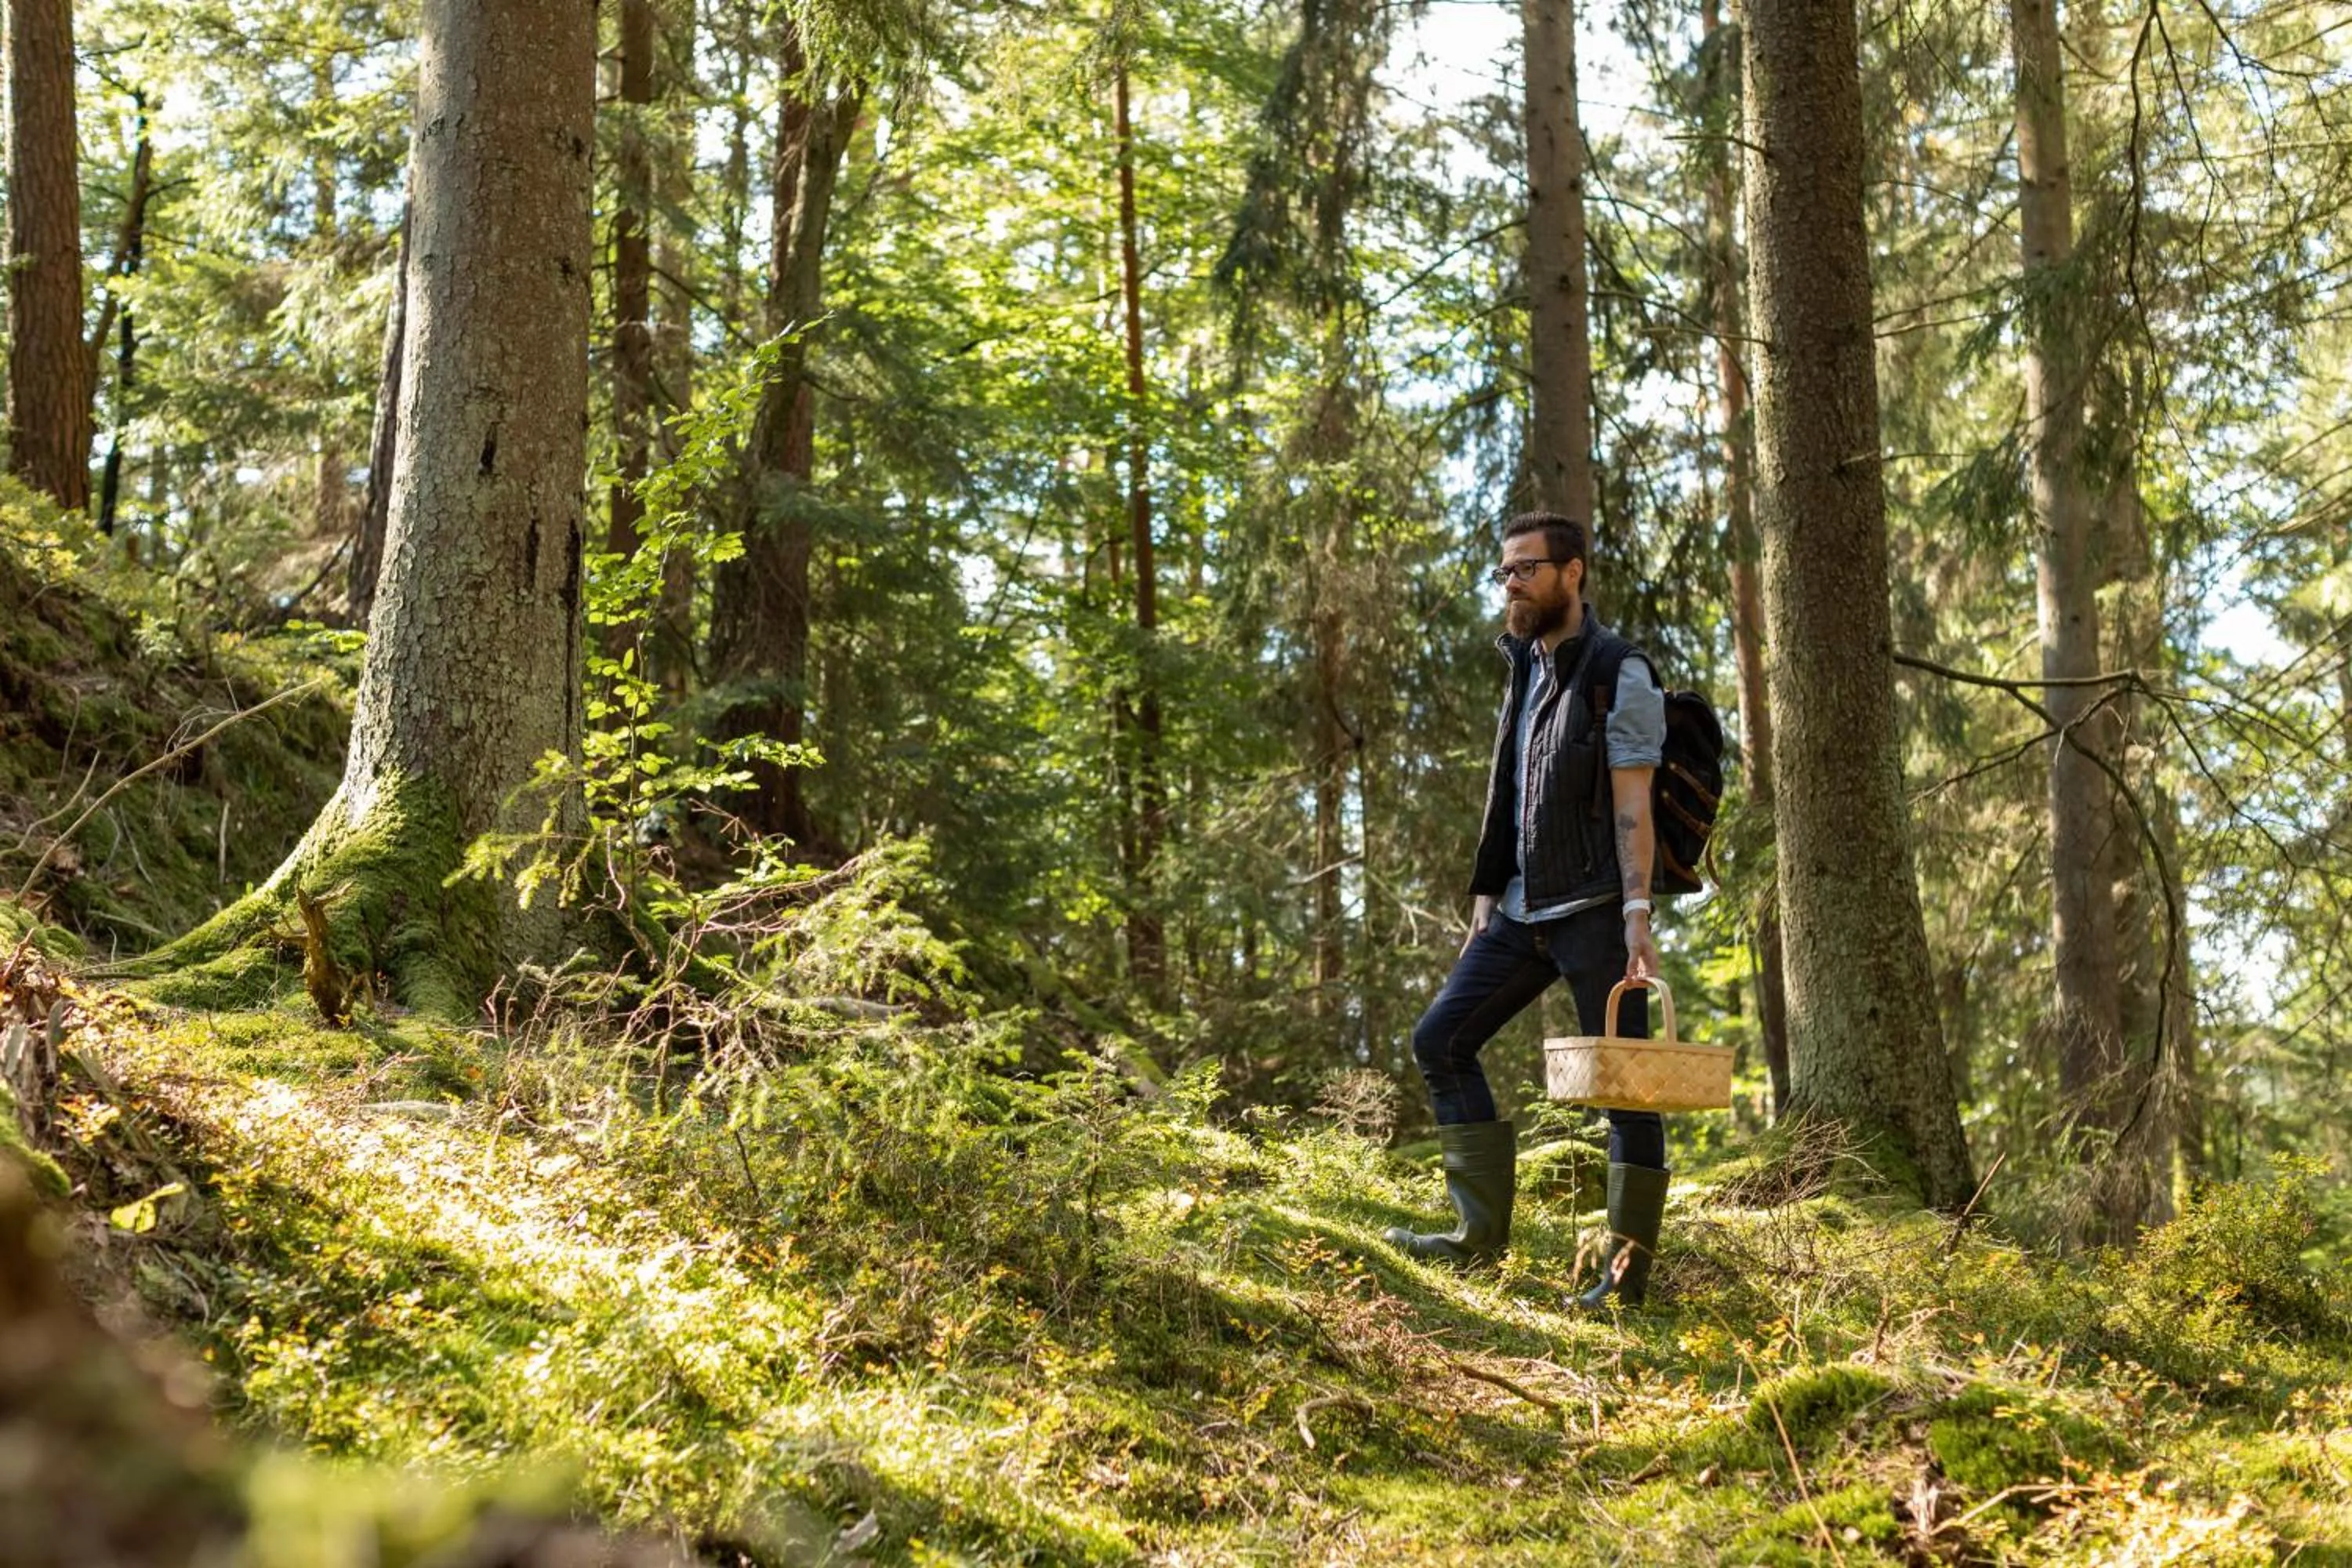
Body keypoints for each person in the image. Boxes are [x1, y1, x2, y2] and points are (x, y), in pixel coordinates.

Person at [1384, 510, 1672, 1308]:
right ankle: (1476, 1238)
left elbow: (1632, 804)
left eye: (1527, 569)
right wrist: (1486, 895)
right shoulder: (1525, 669)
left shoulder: (1620, 672)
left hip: (1595, 913)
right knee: (1441, 1038)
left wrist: (1638, 912)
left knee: (1627, 1090)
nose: (1511, 583)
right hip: (1517, 912)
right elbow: (1509, 794)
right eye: (1505, 570)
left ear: (1572, 572)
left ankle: (1620, 1285)